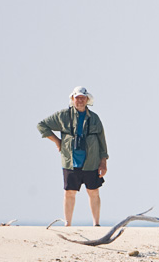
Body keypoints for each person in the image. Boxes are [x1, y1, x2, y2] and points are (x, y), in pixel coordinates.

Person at [37, 86, 109, 226]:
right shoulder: (63, 115)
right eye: (77, 98)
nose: (80, 101)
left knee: (93, 192)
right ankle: (68, 224)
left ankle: (96, 224)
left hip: (91, 161)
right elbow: (42, 125)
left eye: (83, 98)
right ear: (72, 99)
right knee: (69, 192)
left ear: (87, 99)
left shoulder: (94, 118)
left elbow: (102, 141)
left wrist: (103, 162)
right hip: (70, 161)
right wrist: (57, 141)